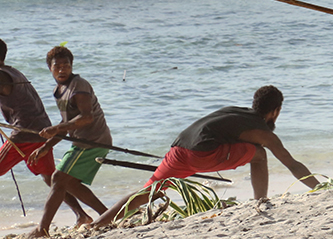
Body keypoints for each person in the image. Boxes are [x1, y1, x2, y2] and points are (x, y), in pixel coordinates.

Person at [93, 85, 320, 228]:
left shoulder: (236, 112)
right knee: (259, 155)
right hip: (203, 153)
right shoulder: (261, 130)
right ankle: (260, 201)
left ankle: (98, 223)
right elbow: (291, 164)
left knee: (150, 191)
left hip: (179, 149)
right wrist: (320, 188)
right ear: (275, 111)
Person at [0, 39, 93, 227]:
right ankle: (82, 215)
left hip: (24, 134)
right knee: (51, 179)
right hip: (40, 131)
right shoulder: (12, 71)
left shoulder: (1, 75)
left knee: (51, 179)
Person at [28, 46, 112, 237]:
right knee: (70, 183)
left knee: (57, 178)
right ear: (50, 67)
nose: (62, 69)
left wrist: (56, 129)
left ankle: (42, 229)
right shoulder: (60, 90)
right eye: (57, 66)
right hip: (83, 140)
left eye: (66, 65)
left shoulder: (78, 86)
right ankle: (107, 215)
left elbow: (86, 117)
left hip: (93, 140)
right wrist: (46, 146)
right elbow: (67, 123)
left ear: (71, 66)